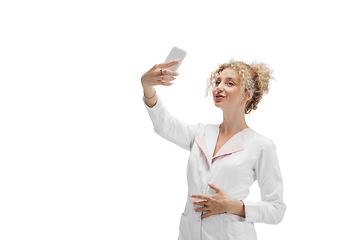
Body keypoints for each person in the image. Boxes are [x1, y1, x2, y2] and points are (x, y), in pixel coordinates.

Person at [141, 59, 286, 240]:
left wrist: (233, 206)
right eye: (217, 82)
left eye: (229, 83)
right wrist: (147, 88)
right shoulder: (201, 133)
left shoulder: (261, 145)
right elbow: (165, 126)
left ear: (248, 94)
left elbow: (276, 209)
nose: (219, 87)